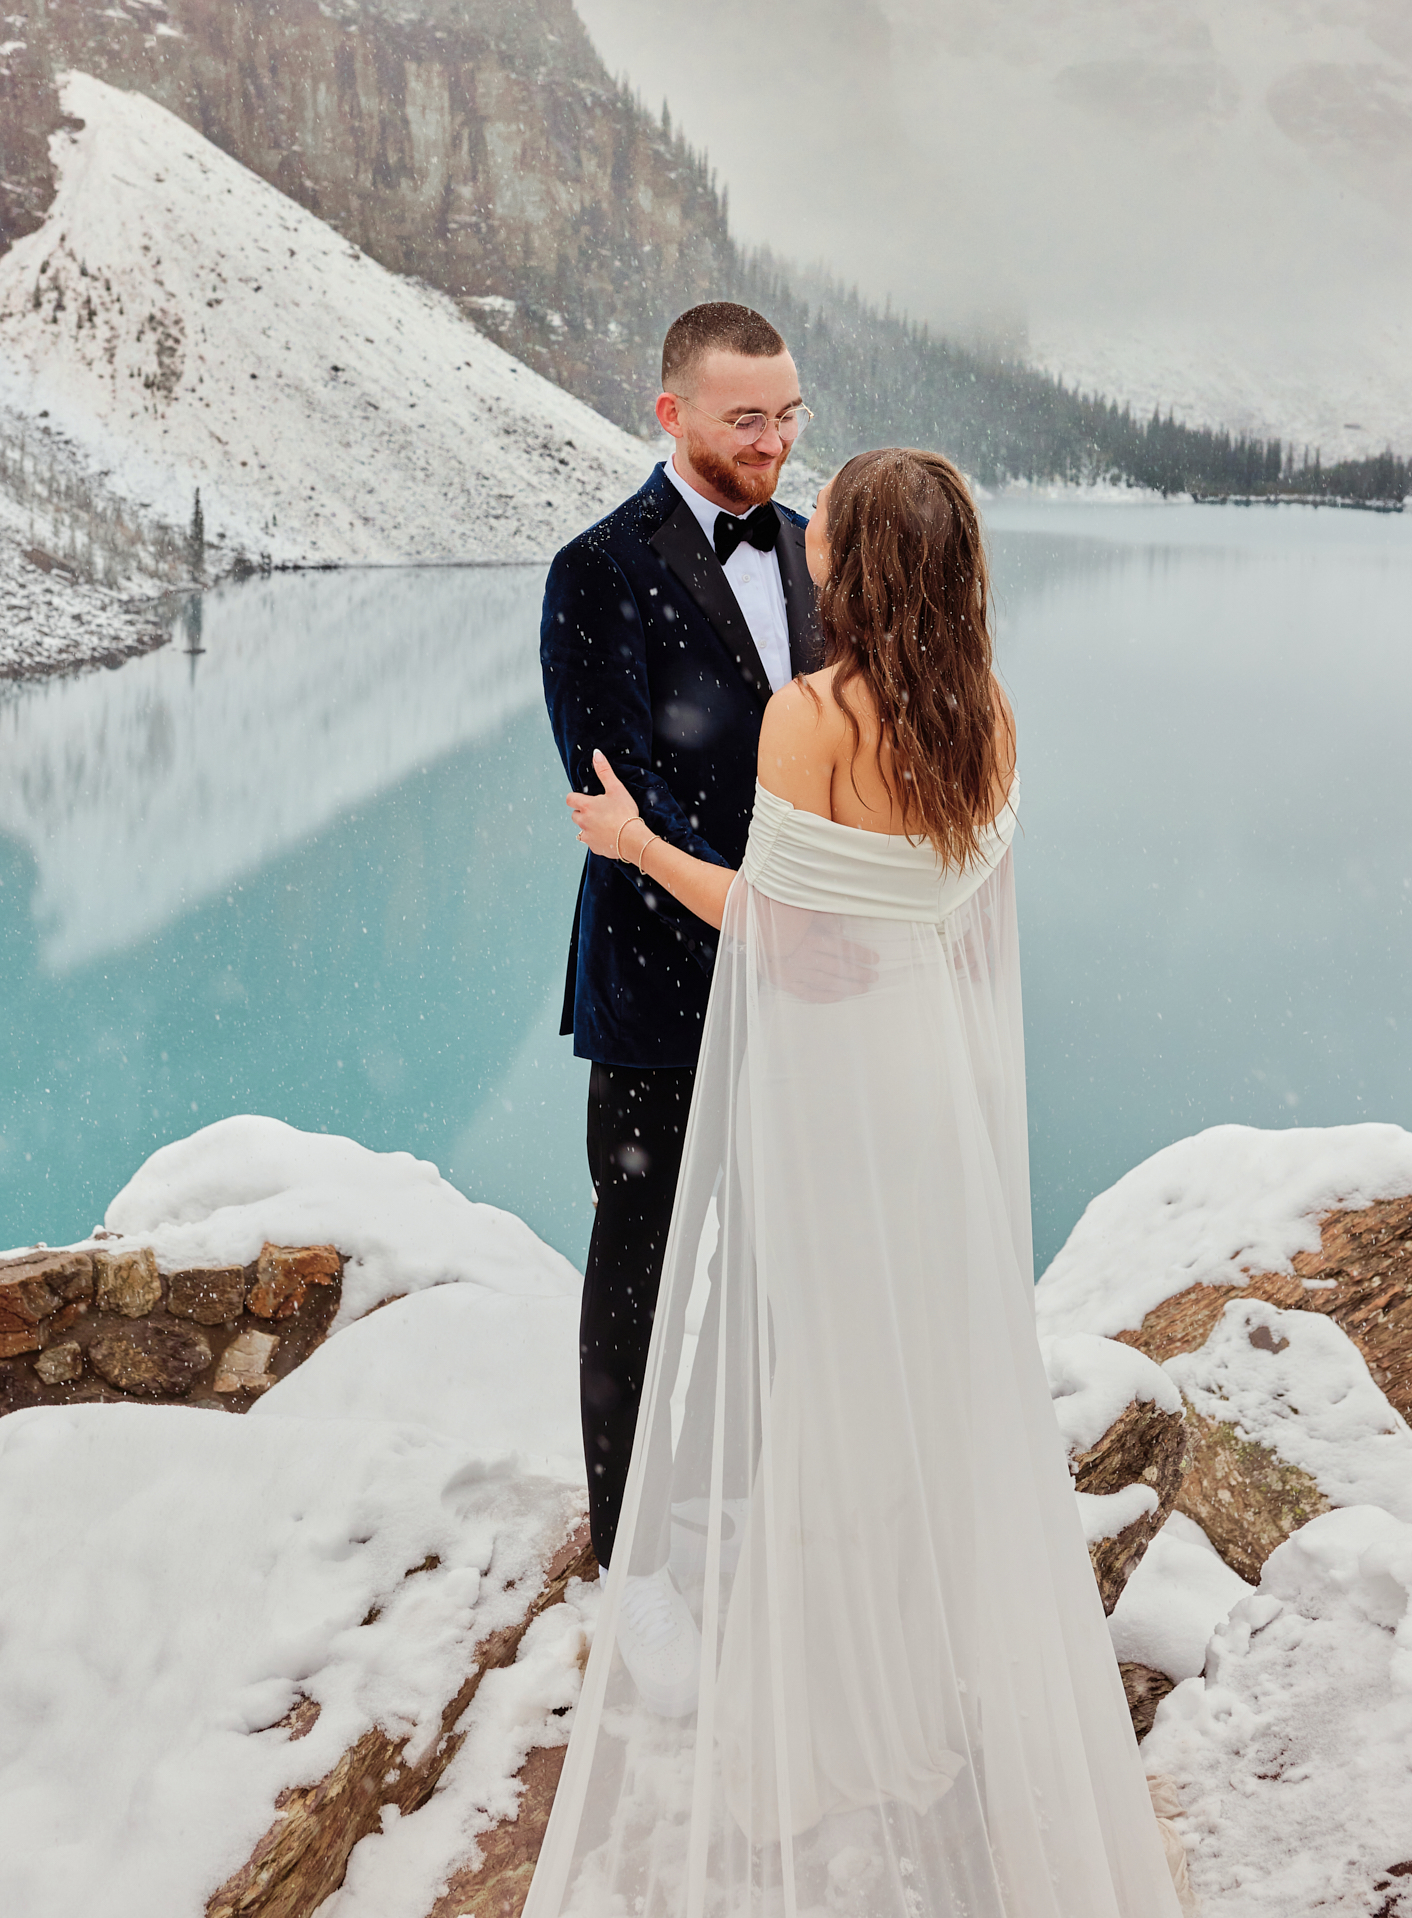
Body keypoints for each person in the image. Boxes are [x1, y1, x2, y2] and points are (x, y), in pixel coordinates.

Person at [526, 449, 1185, 1918]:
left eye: (835, 538)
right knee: (912, 1384)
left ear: (862, 569)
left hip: (834, 1084)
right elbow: (956, 917)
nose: (809, 547)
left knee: (830, 1367)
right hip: (932, 1078)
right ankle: (916, 1670)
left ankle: (823, 1724)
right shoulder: (991, 714)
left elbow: (778, 929)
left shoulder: (812, 716)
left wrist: (634, 842)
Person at [540, 303, 821, 1659]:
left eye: (788, 417)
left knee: (777, 1257)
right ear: (672, 416)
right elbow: (616, 787)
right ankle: (631, 1556)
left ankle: (745, 1506)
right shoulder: (596, 568)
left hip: (803, 985)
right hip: (660, 981)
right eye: (744, 420)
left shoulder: (823, 556)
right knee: (641, 1262)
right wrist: (761, 909)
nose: (772, 444)